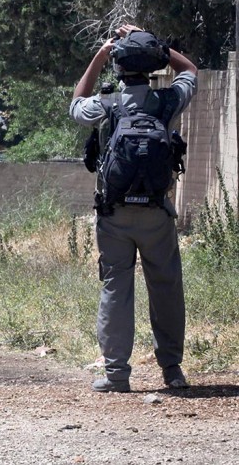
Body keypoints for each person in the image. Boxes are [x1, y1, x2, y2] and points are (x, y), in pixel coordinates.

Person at [69, 24, 197, 393]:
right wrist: (155, 41)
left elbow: (76, 104)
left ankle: (116, 374)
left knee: (116, 287)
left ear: (119, 67)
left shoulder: (106, 105)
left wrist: (99, 55)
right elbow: (190, 71)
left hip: (115, 215)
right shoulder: (168, 101)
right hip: (157, 212)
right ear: (153, 66)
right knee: (166, 286)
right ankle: (172, 370)